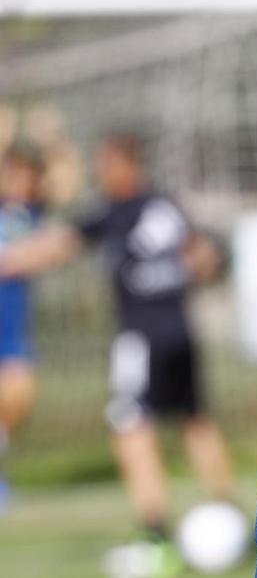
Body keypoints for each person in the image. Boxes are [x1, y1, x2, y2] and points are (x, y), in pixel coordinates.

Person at [0, 133, 234, 574]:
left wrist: (10, 260)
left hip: (141, 337)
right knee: (195, 419)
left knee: (131, 426)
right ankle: (232, 517)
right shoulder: (165, 205)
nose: (101, 173)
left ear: (123, 164)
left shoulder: (111, 210)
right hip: (180, 329)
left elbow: (55, 247)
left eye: (105, 164)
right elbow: (205, 257)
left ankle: (154, 535)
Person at [0, 144, 45, 505]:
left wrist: (50, 132)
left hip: (13, 320)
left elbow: (68, 175)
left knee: (19, 398)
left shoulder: (34, 213)